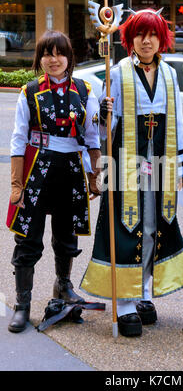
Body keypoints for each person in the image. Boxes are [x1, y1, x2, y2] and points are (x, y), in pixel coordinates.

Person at [80, 8, 183, 337]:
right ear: (129, 38)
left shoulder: (170, 74)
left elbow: (175, 119)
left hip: (160, 159)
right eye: (140, 34)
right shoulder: (118, 71)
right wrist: (102, 116)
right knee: (123, 226)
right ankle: (124, 303)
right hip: (126, 162)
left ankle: (145, 293)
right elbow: (105, 130)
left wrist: (181, 165)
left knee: (152, 226)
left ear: (162, 38)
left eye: (153, 34)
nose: (146, 40)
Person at [6, 30, 101, 333]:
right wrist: (15, 184)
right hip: (37, 167)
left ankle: (63, 288)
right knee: (28, 237)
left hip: (71, 169)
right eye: (47, 53)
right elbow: (18, 139)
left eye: (59, 53)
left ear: (69, 58)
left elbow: (92, 138)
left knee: (66, 234)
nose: (53, 59)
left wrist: (95, 175)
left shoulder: (86, 91)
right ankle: (23, 306)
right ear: (40, 58)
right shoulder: (29, 91)